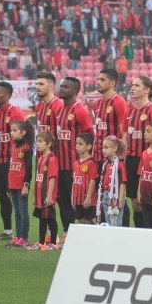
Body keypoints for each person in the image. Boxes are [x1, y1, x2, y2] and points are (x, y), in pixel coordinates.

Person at [56, 77, 94, 241]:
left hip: (76, 166)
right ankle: (67, 233)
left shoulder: (79, 110)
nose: (62, 89)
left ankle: (84, 235)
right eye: (61, 86)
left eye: (66, 87)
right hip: (61, 164)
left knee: (78, 202)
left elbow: (90, 136)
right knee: (62, 200)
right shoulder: (60, 110)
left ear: (75, 91)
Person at [123, 75, 152, 228]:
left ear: (147, 90)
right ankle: (140, 233)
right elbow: (125, 135)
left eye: (137, 85)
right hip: (132, 161)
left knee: (150, 200)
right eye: (132, 85)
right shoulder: (129, 112)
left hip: (148, 162)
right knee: (135, 201)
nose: (132, 88)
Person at [0, 81, 26, 241]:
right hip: (0, 159)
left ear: (7, 95)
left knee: (12, 195)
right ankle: (7, 230)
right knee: (1, 195)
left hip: (12, 161)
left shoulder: (16, 113)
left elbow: (24, 137)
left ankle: (20, 233)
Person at [29, 131, 59, 251]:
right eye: (37, 142)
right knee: (42, 219)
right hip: (40, 196)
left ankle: (52, 242)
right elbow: (38, 178)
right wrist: (35, 196)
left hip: (47, 195)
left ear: (49, 144)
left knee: (51, 219)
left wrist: (50, 195)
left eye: (41, 142)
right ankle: (41, 242)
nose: (38, 144)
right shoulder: (41, 158)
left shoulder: (51, 159)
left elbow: (52, 178)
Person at [7, 120, 35, 248]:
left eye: (14, 130)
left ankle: (24, 238)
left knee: (23, 212)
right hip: (12, 184)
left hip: (21, 185)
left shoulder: (26, 148)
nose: (11, 133)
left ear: (23, 132)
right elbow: (11, 166)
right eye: (11, 130)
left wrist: (26, 185)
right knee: (16, 212)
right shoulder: (13, 146)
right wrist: (8, 185)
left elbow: (29, 168)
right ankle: (17, 237)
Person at [93, 69, 128, 168]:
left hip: (113, 158)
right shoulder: (97, 104)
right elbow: (97, 132)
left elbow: (124, 132)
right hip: (97, 157)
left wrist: (122, 157)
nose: (98, 82)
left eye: (102, 80)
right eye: (98, 79)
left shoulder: (119, 102)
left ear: (112, 83)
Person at [97, 135, 128, 226]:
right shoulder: (106, 164)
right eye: (103, 147)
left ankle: (116, 238)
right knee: (108, 221)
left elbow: (123, 183)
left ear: (114, 148)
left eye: (106, 147)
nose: (103, 150)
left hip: (116, 196)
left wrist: (120, 199)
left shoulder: (120, 164)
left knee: (115, 221)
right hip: (106, 195)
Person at [72, 133, 98, 225]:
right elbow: (74, 181)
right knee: (81, 221)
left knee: (89, 221)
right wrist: (73, 197)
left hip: (87, 200)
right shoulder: (76, 163)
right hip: (78, 199)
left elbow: (93, 180)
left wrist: (88, 197)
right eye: (76, 144)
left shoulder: (91, 163)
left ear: (89, 146)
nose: (77, 146)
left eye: (80, 144)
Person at [35, 72, 63, 156]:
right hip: (40, 157)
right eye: (37, 84)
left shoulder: (58, 106)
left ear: (51, 87)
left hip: (53, 157)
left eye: (41, 84)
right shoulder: (38, 106)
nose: (37, 87)